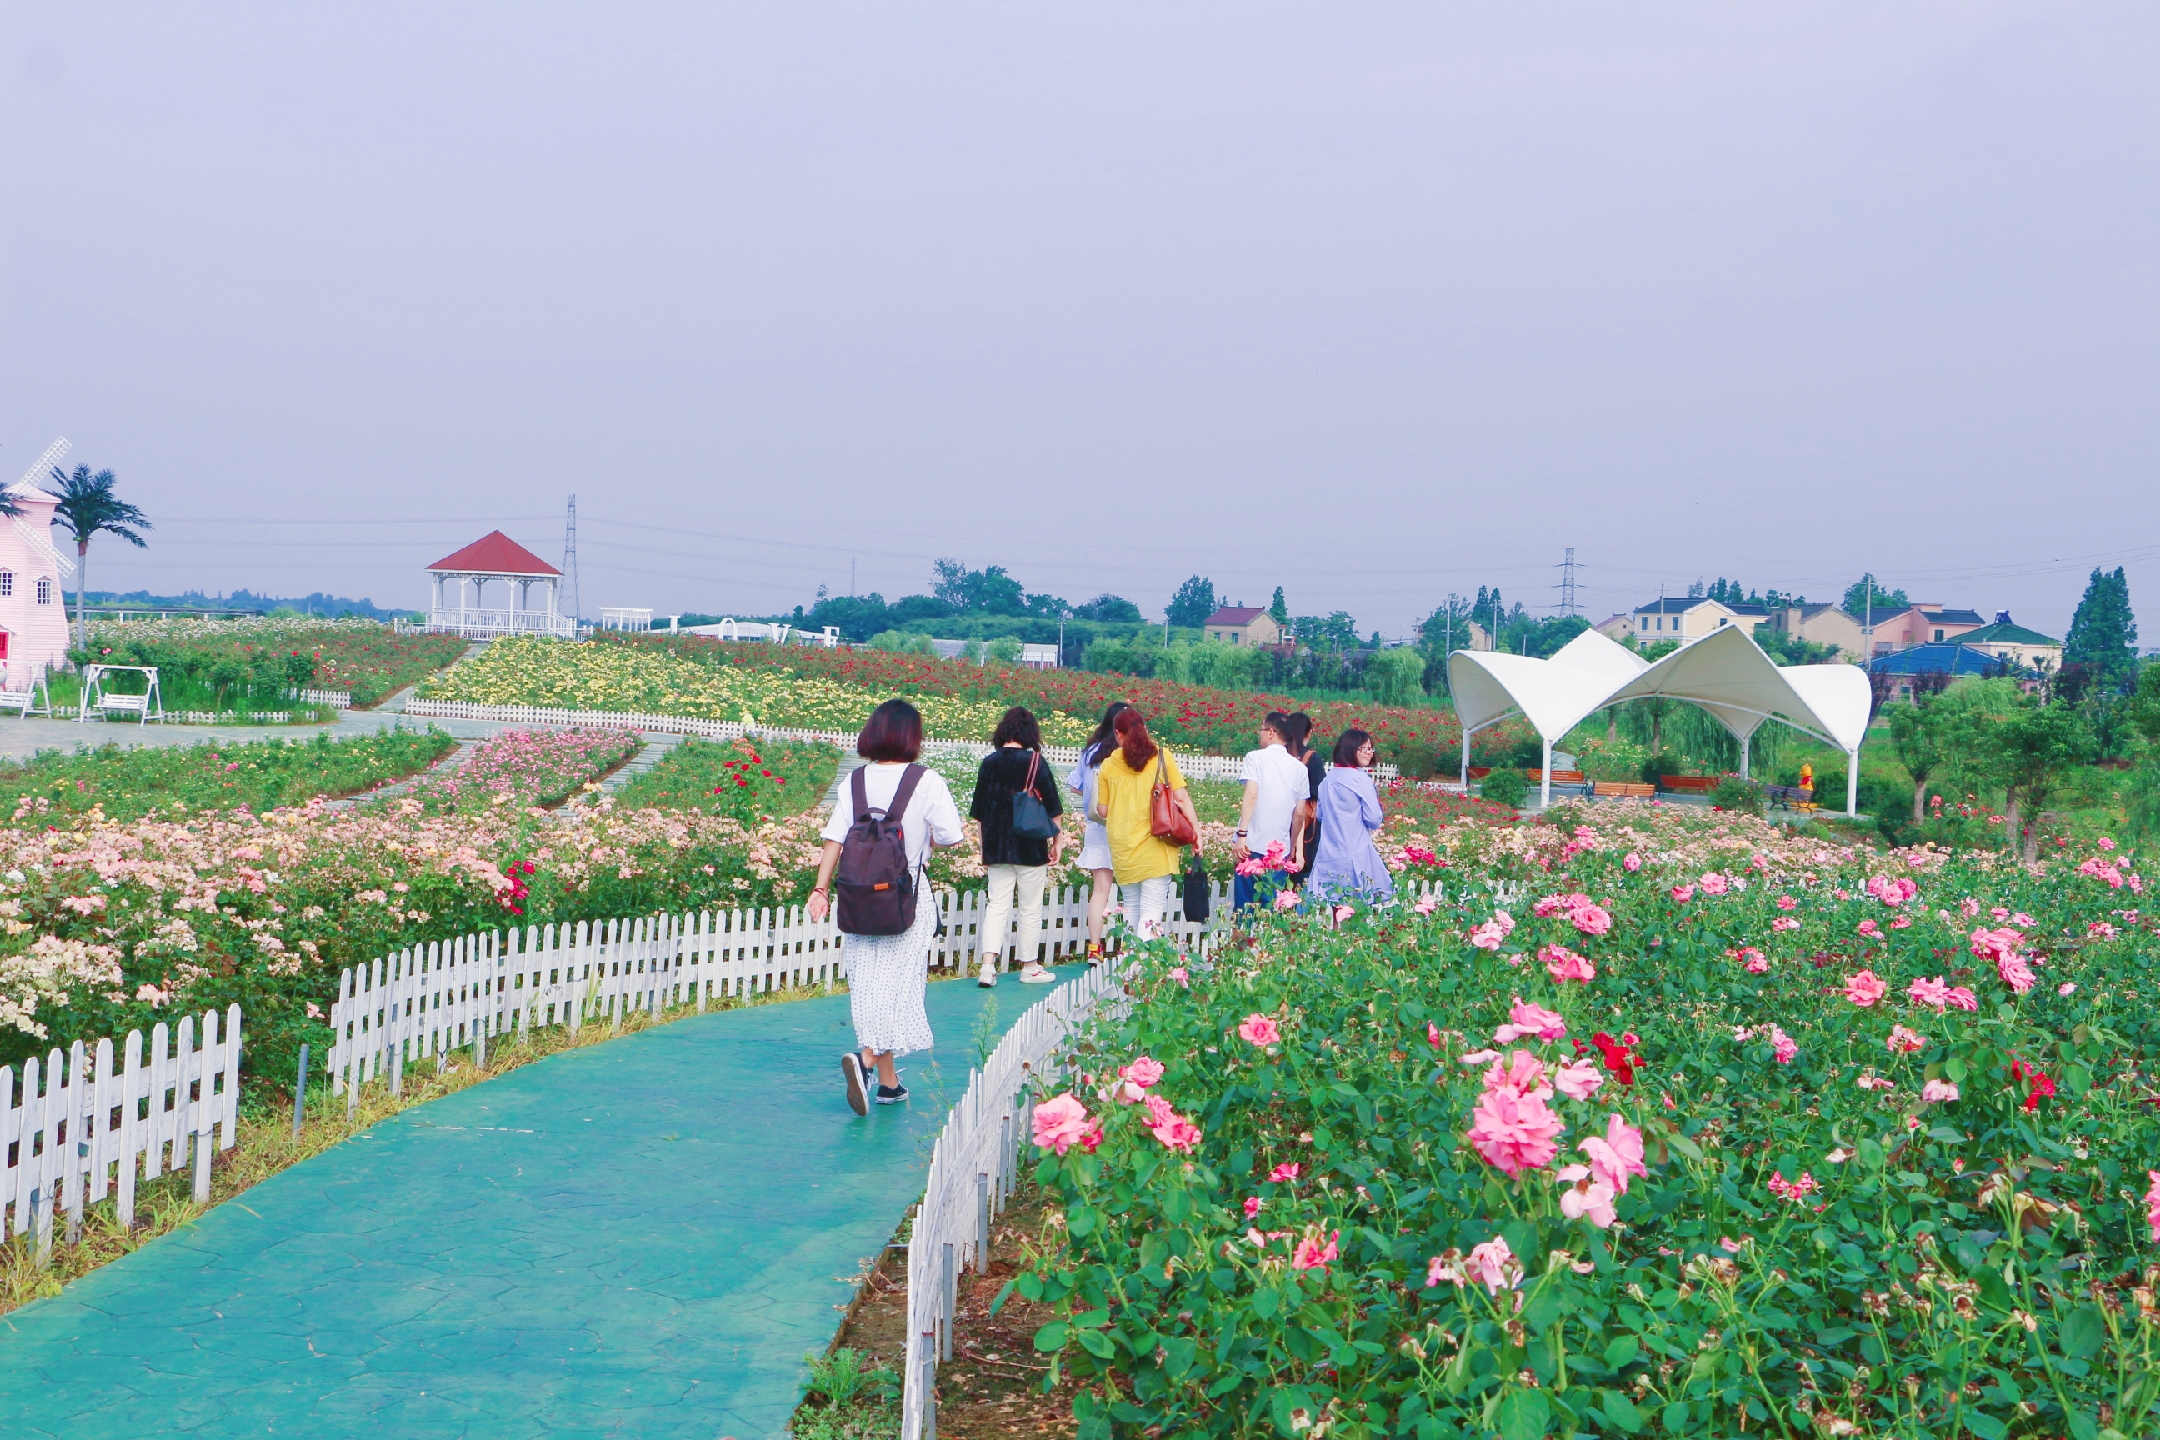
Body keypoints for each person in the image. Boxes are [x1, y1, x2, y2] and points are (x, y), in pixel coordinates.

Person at [807, 699, 964, 1116]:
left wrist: (820, 890)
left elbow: (834, 840)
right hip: (906, 901)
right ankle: (866, 1061)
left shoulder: (854, 781)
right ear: (913, 737)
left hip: (858, 898)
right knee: (897, 987)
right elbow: (952, 835)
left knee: (871, 984)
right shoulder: (925, 781)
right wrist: (924, 836)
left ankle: (889, 1085)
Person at [968, 706, 1065, 987]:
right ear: (1029, 732)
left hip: (997, 845)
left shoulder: (989, 763)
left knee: (996, 905)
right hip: (1030, 845)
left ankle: (987, 967)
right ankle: (1030, 967)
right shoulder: (1036, 762)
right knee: (1030, 908)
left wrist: (984, 847)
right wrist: (1057, 840)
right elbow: (1053, 806)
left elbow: (979, 811)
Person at [1090, 708, 1199, 938]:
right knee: (1151, 913)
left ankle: (1130, 966)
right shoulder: (1162, 757)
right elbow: (1181, 798)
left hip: (1123, 849)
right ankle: (1141, 971)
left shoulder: (1109, 765)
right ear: (1144, 730)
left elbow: (1102, 810)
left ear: (1118, 734)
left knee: (1132, 908)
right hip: (1157, 846)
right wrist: (1196, 832)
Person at [1065, 700, 1130, 963]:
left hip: (1096, 826)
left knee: (1100, 891)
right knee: (1131, 891)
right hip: (1126, 828)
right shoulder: (1129, 752)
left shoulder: (1091, 751)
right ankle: (1127, 947)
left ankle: (1094, 948)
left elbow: (1074, 786)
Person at [1232, 710, 1309, 910]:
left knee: (1245, 908)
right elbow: (1299, 813)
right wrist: (1292, 845)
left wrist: (1242, 835)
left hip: (1251, 844)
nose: (1260, 734)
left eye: (1262, 729)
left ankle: (1243, 940)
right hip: (1278, 850)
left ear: (1271, 732)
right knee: (1273, 907)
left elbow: (1251, 794)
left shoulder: (1255, 758)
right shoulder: (1300, 768)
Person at [1309, 729, 1393, 906]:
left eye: (1370, 748)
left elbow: (1321, 815)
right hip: (1356, 852)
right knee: (1358, 905)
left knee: (1329, 904)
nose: (1369, 753)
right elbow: (1374, 818)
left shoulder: (1327, 780)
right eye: (1363, 749)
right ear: (1349, 749)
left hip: (1328, 853)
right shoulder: (1360, 780)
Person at [1280, 712, 1325, 881]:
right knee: (1301, 870)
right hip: (1304, 826)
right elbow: (1319, 792)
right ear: (1309, 732)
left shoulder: (1280, 755)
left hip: (1280, 818)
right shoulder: (1311, 758)